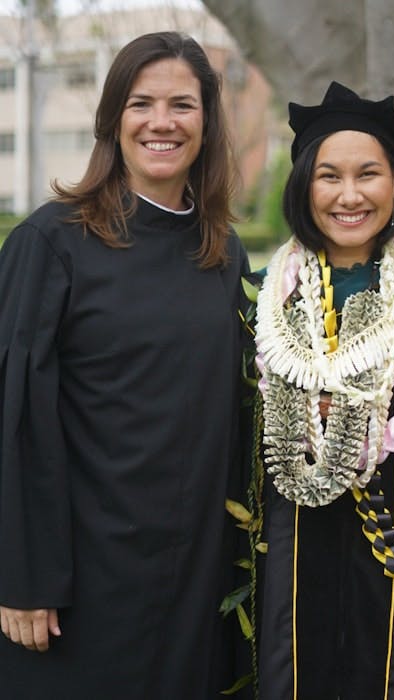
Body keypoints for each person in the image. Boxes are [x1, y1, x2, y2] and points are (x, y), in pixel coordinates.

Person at [0, 31, 249, 699]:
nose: (161, 122)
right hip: (77, 588)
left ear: (207, 121)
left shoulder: (223, 257)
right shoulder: (51, 244)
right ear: (113, 119)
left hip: (193, 581)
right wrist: (20, 578)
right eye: (142, 103)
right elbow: (14, 420)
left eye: (182, 105)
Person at [250, 81, 394, 699]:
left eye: (368, 174)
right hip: (287, 542)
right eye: (328, 176)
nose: (349, 195)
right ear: (304, 185)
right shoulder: (259, 300)